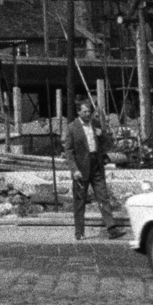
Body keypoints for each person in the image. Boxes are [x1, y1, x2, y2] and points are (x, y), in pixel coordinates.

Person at [63, 98, 126, 241]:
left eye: (89, 111)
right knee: (80, 200)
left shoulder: (95, 124)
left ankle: (111, 228)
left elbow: (109, 145)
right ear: (78, 112)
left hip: (96, 165)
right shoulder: (72, 128)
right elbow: (68, 151)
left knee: (103, 196)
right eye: (85, 112)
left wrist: (102, 135)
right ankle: (79, 231)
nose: (88, 114)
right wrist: (74, 170)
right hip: (81, 169)